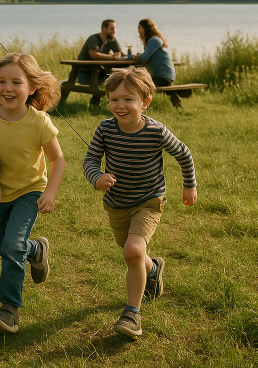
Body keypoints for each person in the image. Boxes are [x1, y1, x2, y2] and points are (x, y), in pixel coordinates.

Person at [83, 66, 197, 338]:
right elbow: (89, 160)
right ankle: (154, 268)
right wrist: (97, 177)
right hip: (117, 203)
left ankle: (132, 314)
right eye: (114, 99)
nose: (120, 106)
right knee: (132, 252)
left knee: (132, 251)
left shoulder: (156, 131)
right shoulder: (105, 129)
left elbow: (184, 153)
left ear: (145, 102)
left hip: (149, 201)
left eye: (128, 99)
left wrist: (189, 185)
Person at [0, 53, 65, 334]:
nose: (7, 88)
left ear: (31, 87)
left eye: (16, 82)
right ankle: (35, 249)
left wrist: (50, 192)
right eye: (1, 81)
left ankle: (9, 309)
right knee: (8, 247)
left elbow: (57, 159)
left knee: (10, 246)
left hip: (29, 193)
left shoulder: (39, 122)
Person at [134, 18, 179, 107]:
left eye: (140, 27)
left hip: (163, 77)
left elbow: (144, 58)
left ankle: (139, 106)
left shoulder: (154, 40)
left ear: (146, 28)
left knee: (139, 84)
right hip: (162, 76)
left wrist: (137, 57)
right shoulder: (153, 41)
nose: (138, 30)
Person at [76, 19, 123, 86]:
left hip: (100, 71)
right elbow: (94, 55)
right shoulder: (93, 38)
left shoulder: (112, 39)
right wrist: (112, 57)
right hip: (86, 72)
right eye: (112, 29)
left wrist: (131, 56)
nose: (114, 31)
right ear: (104, 29)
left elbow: (119, 52)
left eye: (115, 28)